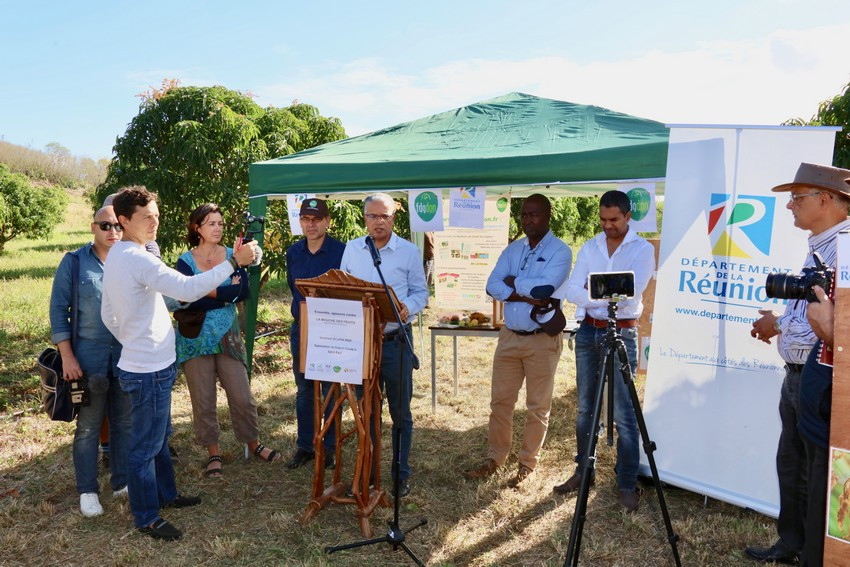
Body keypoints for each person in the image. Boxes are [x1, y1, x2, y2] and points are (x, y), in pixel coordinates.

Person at [101, 186, 258, 541]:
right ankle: (146, 516)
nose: (154, 222)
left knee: (158, 439)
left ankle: (167, 495)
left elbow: (109, 314)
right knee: (145, 445)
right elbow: (187, 290)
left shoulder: (119, 256)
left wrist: (133, 338)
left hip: (149, 361)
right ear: (124, 221)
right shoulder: (138, 258)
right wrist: (234, 263)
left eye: (156, 215)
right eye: (146, 217)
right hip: (147, 368)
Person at [744, 163, 850, 564]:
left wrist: (780, 326)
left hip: (826, 379)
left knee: (819, 472)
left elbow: (834, 321)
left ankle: (817, 553)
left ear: (825, 199)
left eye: (797, 197)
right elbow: (814, 309)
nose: (789, 205)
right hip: (799, 374)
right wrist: (781, 325)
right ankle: (792, 542)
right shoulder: (821, 244)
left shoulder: (845, 246)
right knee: (792, 463)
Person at [552, 190, 655, 512]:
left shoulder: (643, 249)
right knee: (586, 409)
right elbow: (571, 289)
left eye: (614, 220)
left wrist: (592, 293)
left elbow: (630, 291)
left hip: (623, 331)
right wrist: (606, 293)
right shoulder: (590, 245)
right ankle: (584, 472)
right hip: (587, 333)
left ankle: (626, 481)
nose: (607, 226)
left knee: (626, 414)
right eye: (603, 219)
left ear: (628, 217)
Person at [464, 194, 572, 486]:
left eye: (534, 214)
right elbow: (492, 285)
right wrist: (523, 290)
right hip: (510, 337)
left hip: (541, 340)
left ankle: (527, 463)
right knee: (500, 402)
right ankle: (496, 458)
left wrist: (514, 284)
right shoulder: (513, 250)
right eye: (524, 214)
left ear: (548, 216)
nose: (527, 220)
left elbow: (546, 289)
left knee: (537, 406)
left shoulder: (561, 251)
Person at [174, 203, 281, 478]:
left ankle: (254, 443)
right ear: (196, 228)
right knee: (203, 398)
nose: (218, 228)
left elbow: (242, 291)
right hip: (194, 338)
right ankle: (214, 453)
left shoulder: (236, 255)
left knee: (242, 395)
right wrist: (223, 292)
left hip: (228, 335)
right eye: (211, 223)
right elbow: (186, 296)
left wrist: (205, 290)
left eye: (220, 223)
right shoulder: (185, 261)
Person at [339, 193, 428, 498]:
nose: (378, 222)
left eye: (385, 216)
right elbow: (343, 290)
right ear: (364, 219)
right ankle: (371, 470)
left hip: (396, 342)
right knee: (368, 410)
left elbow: (420, 292)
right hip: (362, 343)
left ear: (394, 218)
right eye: (372, 216)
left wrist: (408, 308)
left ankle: (400, 472)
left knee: (400, 411)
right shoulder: (352, 249)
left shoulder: (408, 252)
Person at [49, 206, 130, 518]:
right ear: (93, 227)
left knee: (124, 423)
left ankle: (121, 481)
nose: (112, 232)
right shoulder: (74, 262)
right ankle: (88, 490)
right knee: (88, 428)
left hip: (124, 356)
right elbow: (59, 311)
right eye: (105, 225)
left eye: (118, 226)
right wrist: (67, 356)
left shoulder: (128, 259)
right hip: (88, 359)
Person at [285, 198, 345, 470]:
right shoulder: (293, 252)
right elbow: (293, 288)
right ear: (300, 222)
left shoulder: (342, 251)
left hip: (332, 330)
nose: (311, 224)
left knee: (332, 389)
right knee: (305, 390)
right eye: (306, 220)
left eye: (316, 219)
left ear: (327, 221)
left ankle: (331, 446)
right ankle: (306, 446)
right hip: (303, 330)